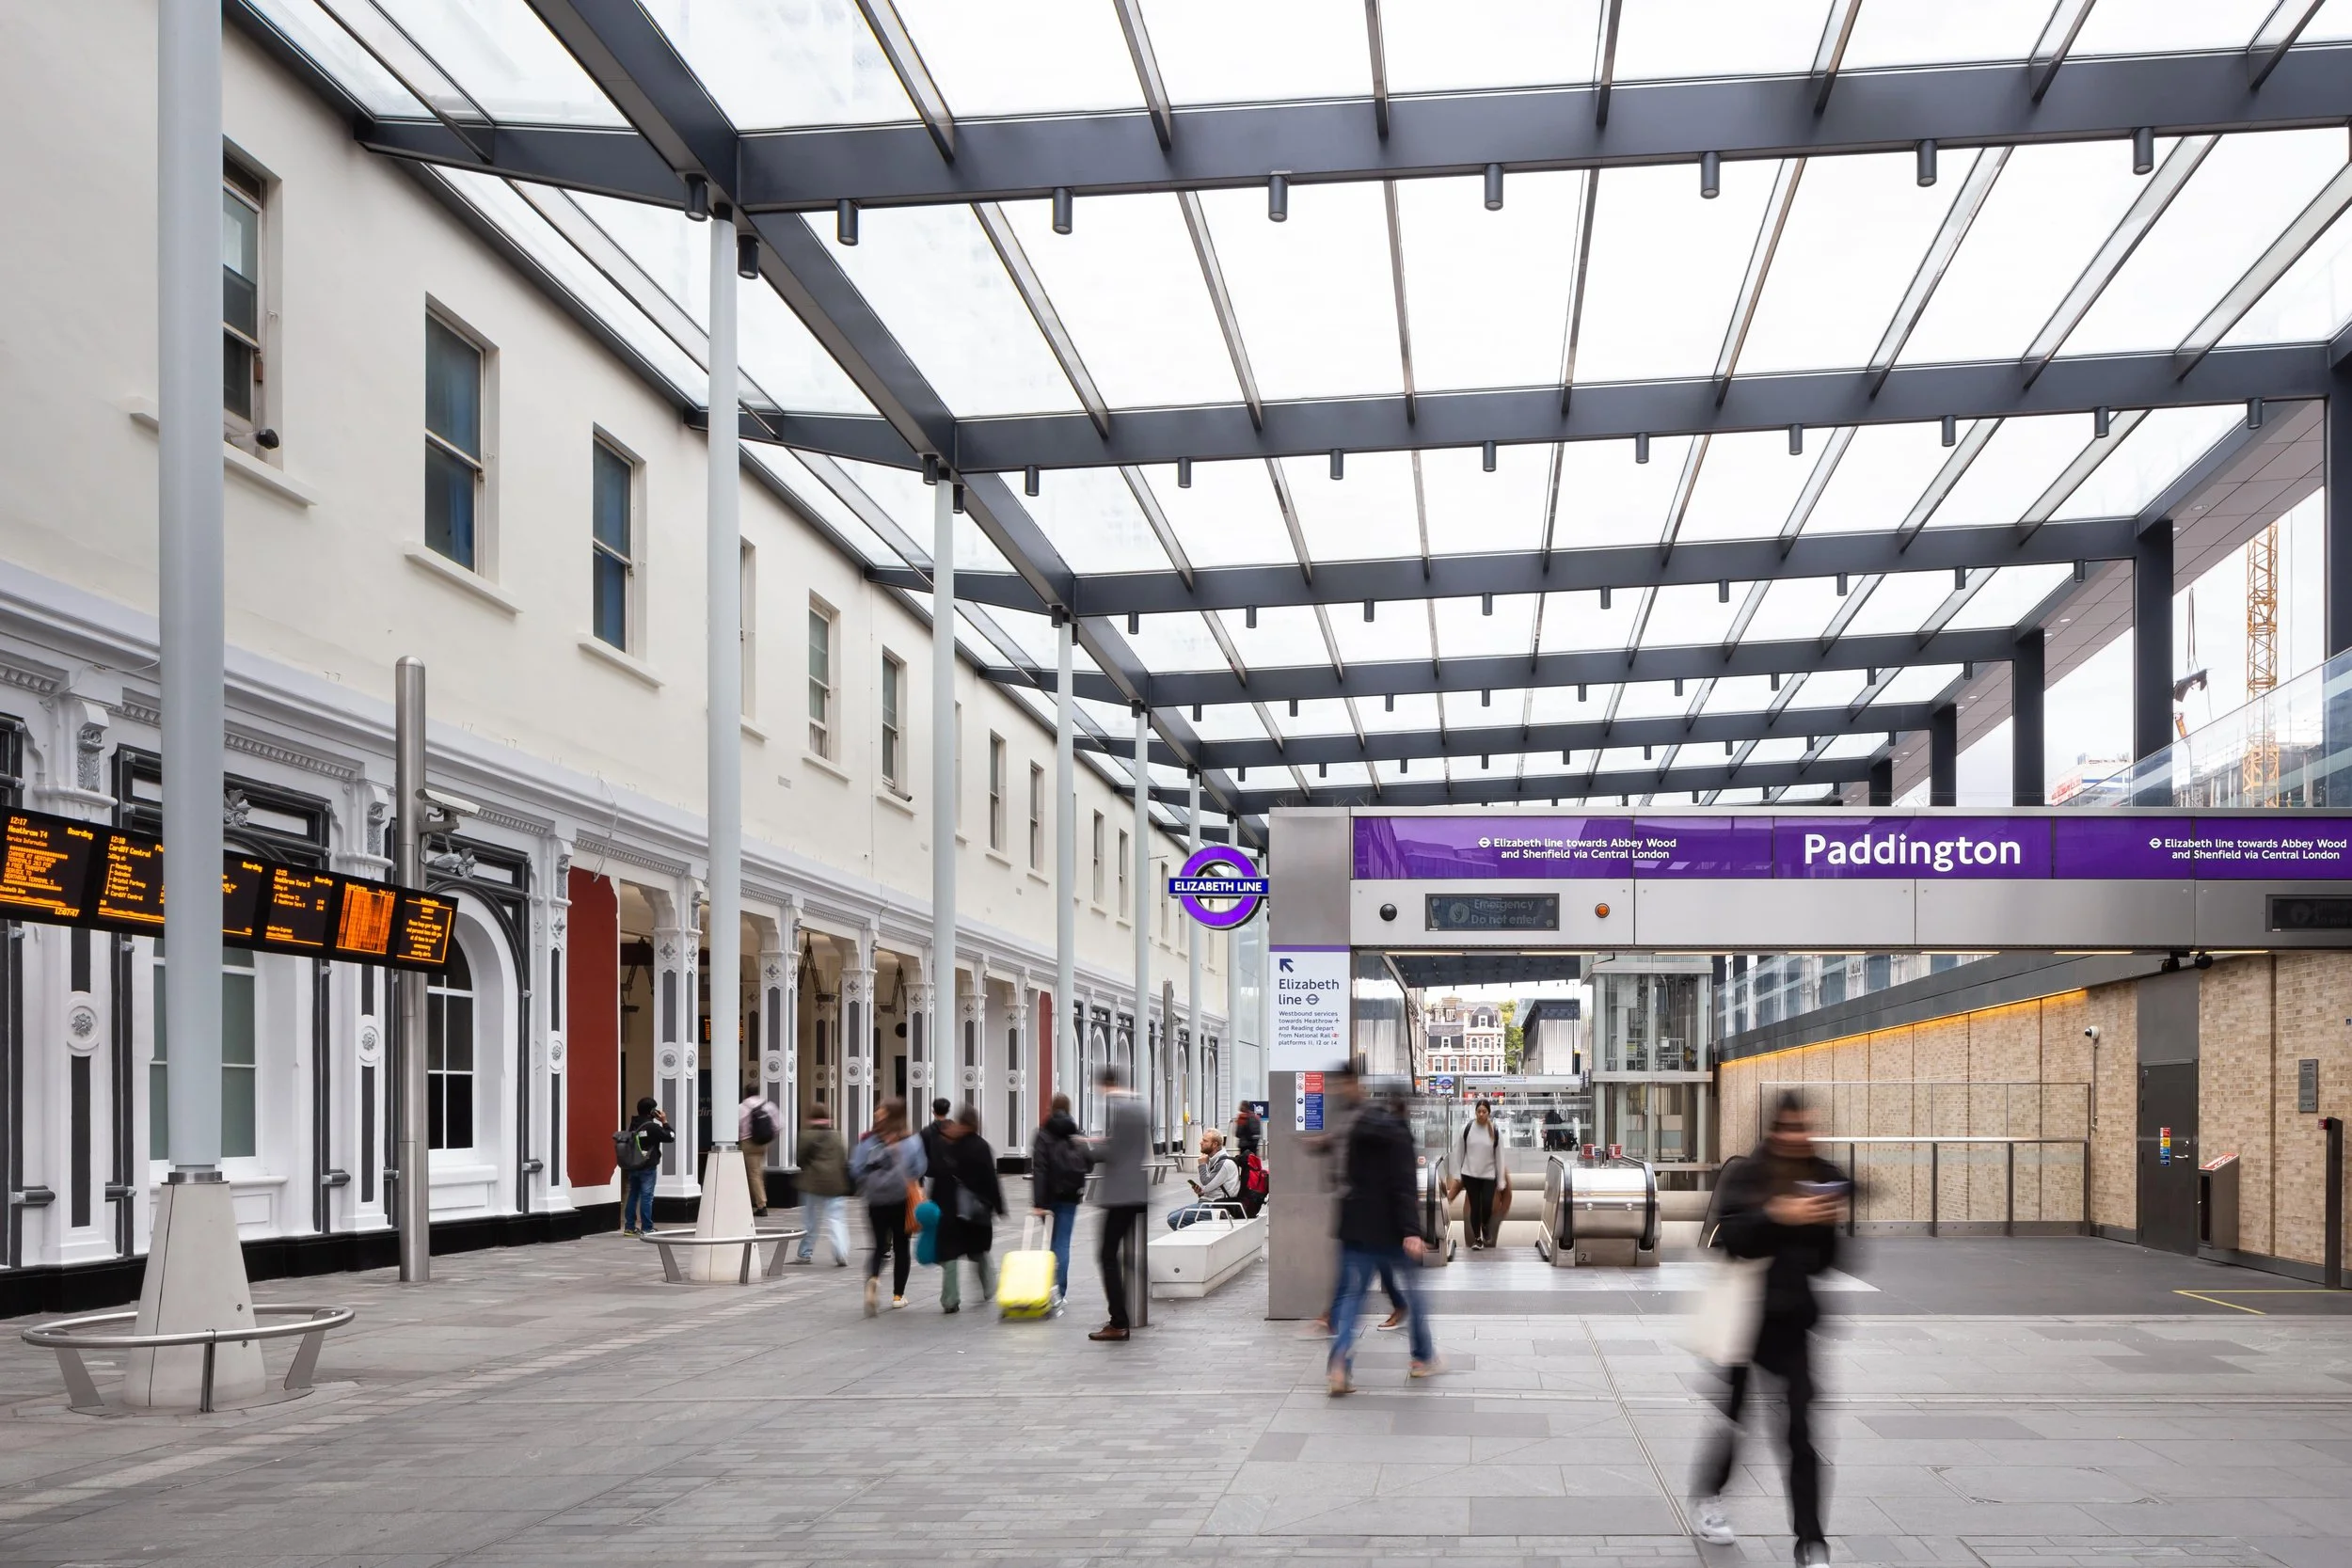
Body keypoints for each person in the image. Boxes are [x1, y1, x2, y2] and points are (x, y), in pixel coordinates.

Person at [1689, 1094, 1846, 1566]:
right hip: (1743, 1318)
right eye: (1792, 1128)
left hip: (1792, 1323)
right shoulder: (1747, 1174)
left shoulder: (1821, 1174)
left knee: (1800, 1431)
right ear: (1775, 1130)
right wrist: (1779, 1215)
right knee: (1736, 1417)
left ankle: (1811, 1540)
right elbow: (1729, 1238)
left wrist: (1821, 1222)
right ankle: (1709, 1495)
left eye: (1807, 1128)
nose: (1800, 1137)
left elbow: (1830, 1260)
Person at [1326, 1074, 1437, 1393]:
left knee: (1350, 1298)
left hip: (1355, 1227)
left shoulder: (1360, 1126)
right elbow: (1403, 1187)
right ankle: (1422, 1358)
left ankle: (1339, 1365)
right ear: (1406, 1105)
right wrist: (1412, 1232)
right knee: (1415, 1292)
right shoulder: (1399, 1134)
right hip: (1390, 1232)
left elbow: (1347, 1175)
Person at [1087, 1065, 1150, 1342]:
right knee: (1121, 1255)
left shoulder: (1121, 1109)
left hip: (1120, 1195)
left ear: (1106, 1084)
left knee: (1107, 1256)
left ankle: (1119, 1321)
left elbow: (1113, 1153)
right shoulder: (1138, 1106)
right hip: (1136, 1190)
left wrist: (1087, 1146)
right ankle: (1127, 1312)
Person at [850, 1098, 926, 1315]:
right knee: (902, 1247)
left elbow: (856, 1170)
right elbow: (919, 1168)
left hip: (875, 1200)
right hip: (901, 1200)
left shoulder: (868, 1141)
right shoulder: (911, 1141)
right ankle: (897, 1296)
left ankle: (873, 1279)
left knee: (878, 1246)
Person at [930, 1104, 1005, 1313]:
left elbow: (937, 1175)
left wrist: (933, 1204)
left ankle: (950, 1300)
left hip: (949, 1209)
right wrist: (998, 1206)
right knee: (978, 1250)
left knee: (950, 1255)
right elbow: (991, 1180)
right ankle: (989, 1287)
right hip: (975, 1210)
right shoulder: (981, 1146)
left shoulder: (945, 1144)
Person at [1028, 1093, 1089, 1308]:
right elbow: (1088, 1162)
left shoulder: (1042, 1134)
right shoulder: (1076, 1134)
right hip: (1071, 1195)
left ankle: (1047, 1285)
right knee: (1062, 1242)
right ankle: (1059, 1293)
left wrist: (1038, 1201)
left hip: (1048, 1197)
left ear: (1051, 1108)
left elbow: (1040, 1169)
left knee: (1050, 1242)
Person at [791, 1107, 851, 1265]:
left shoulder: (806, 1135)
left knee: (811, 1220)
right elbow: (843, 1158)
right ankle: (841, 1251)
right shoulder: (836, 1136)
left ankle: (805, 1253)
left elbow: (800, 1157)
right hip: (835, 1184)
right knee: (836, 1219)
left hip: (812, 1183)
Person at [619, 1097, 671, 1237]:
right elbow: (671, 1137)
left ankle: (629, 1227)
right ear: (652, 1111)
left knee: (633, 1195)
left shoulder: (634, 1124)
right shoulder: (652, 1127)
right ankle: (647, 1227)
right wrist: (664, 1122)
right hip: (648, 1167)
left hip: (634, 1165)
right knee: (647, 1197)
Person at [1456, 1100, 1503, 1250]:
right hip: (1470, 1175)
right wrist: (1458, 1174)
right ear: (1475, 1112)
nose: (1481, 1114)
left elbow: (1500, 1157)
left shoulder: (1495, 1131)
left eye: (1484, 1111)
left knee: (1487, 1204)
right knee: (1475, 1207)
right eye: (1479, 1111)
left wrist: (1501, 1179)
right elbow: (1459, 1153)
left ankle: (1485, 1225)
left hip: (1489, 1175)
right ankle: (1477, 1239)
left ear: (1489, 1113)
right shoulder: (1467, 1128)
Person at [739, 1090, 781, 1215]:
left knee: (753, 1174)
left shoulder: (741, 1107)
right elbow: (779, 1124)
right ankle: (758, 1199)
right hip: (764, 1143)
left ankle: (761, 1205)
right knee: (758, 1172)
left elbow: (736, 1126)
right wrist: (769, 1136)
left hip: (749, 1143)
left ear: (746, 1094)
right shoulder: (769, 1106)